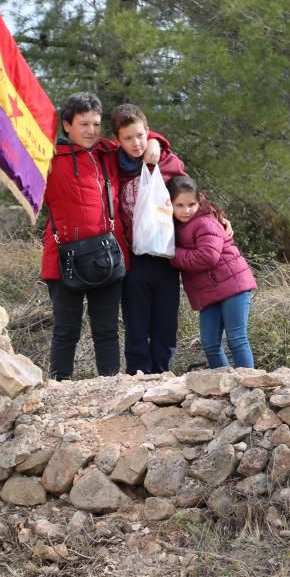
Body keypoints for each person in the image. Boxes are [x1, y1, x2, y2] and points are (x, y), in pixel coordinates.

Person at [41, 92, 164, 380]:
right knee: (65, 331)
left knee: (107, 331)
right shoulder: (47, 157)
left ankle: (109, 389)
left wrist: (156, 140)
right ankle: (59, 390)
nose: (91, 131)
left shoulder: (108, 152)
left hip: (107, 255)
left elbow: (136, 137)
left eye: (96, 124)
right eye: (84, 124)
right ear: (67, 125)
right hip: (63, 258)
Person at [108, 103, 187, 374]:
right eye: (127, 138)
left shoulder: (166, 161)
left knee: (165, 323)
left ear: (148, 131)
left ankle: (163, 376)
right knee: (136, 325)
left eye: (141, 135)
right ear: (117, 140)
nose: (136, 143)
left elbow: (188, 195)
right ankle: (138, 378)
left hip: (166, 258)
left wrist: (216, 215)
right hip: (133, 260)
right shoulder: (112, 166)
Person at [167, 175, 256, 369]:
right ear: (170, 204)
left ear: (199, 200)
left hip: (234, 286)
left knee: (236, 338)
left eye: (191, 204)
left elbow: (208, 257)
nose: (186, 210)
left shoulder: (205, 222)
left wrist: (172, 254)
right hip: (210, 292)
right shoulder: (177, 226)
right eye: (179, 205)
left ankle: (250, 389)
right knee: (210, 343)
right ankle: (222, 387)